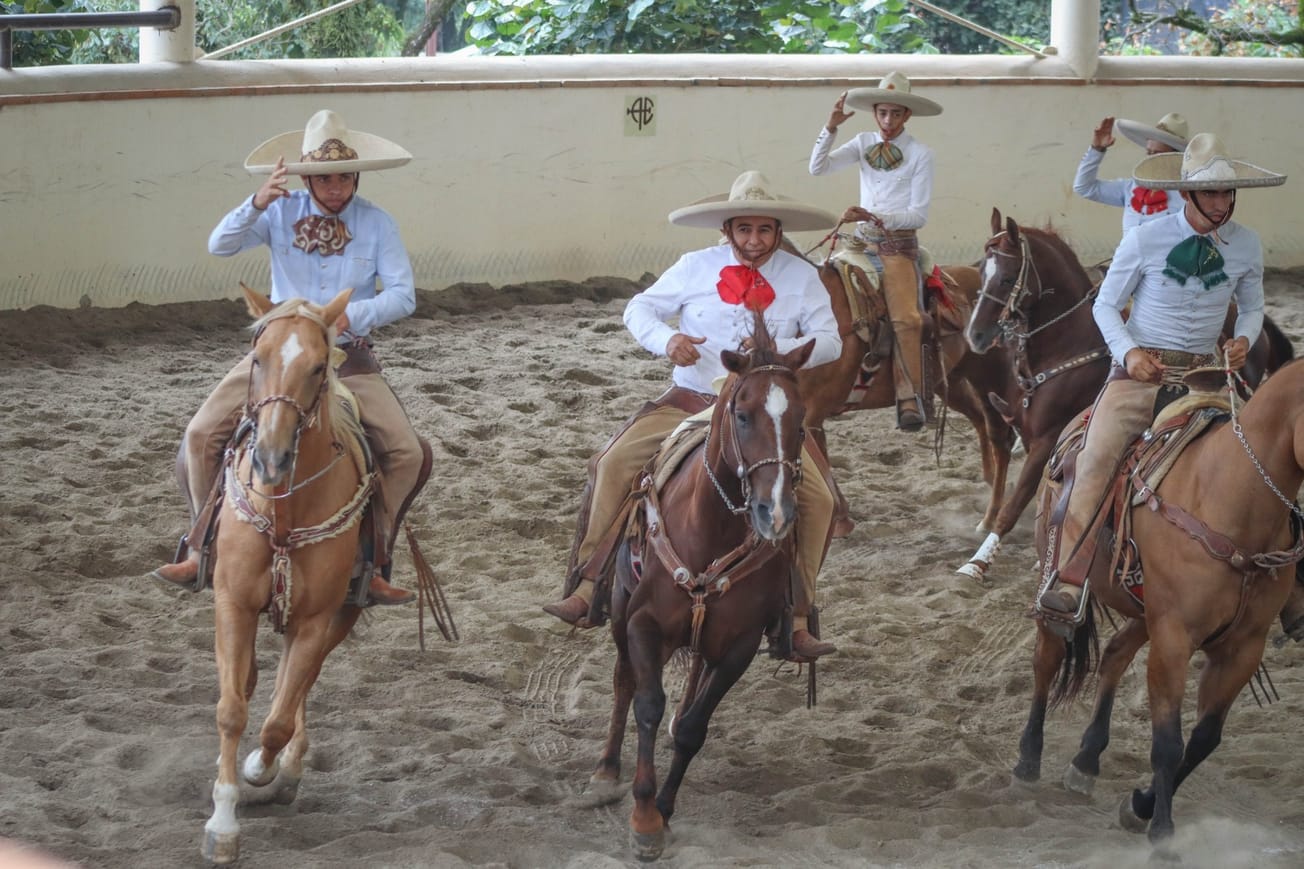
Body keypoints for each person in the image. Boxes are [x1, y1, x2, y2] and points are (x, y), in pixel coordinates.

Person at [542, 171, 844, 660]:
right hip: (693, 400)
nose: (754, 239)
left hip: (763, 416)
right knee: (611, 464)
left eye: (764, 230)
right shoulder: (693, 265)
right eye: (743, 229)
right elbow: (638, 308)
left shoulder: (802, 276)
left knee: (821, 500)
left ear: (778, 231)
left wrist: (776, 348)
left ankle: (798, 616)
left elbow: (831, 340)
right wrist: (668, 341)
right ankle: (589, 585)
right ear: (727, 230)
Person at [150, 110, 423, 606]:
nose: (336, 187)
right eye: (324, 177)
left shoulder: (379, 224)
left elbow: (404, 295)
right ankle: (200, 546)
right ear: (304, 177)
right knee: (198, 436)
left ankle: (374, 558)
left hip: (345, 355)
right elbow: (219, 245)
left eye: (344, 176)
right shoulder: (277, 212)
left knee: (408, 453)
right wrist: (255, 203)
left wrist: (348, 317)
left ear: (356, 176)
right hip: (277, 356)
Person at [1036, 133, 1286, 637]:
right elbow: (1105, 305)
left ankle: (1290, 582)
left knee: (1271, 457)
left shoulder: (1247, 243)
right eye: (1211, 194)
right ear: (1188, 194)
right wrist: (1128, 352)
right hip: (1139, 375)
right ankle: (1070, 577)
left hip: (1208, 375)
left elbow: (1255, 305)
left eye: (1228, 194)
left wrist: (1243, 337)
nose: (1221, 203)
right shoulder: (1145, 237)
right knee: (1095, 460)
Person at [808, 71, 941, 433]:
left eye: (895, 114)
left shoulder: (921, 154)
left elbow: (919, 214)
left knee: (906, 319)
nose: (887, 121)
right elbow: (818, 168)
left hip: (897, 248)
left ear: (906, 116)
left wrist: (872, 215)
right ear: (874, 113)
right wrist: (830, 128)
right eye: (882, 113)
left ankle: (909, 395)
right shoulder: (862, 141)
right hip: (859, 243)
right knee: (819, 283)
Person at [1073, 113, 1190, 235]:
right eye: (1149, 152)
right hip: (1126, 254)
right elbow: (1084, 187)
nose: (1150, 158)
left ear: (1174, 156)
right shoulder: (1130, 187)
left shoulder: (1188, 195)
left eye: (1158, 154)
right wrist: (1097, 150)